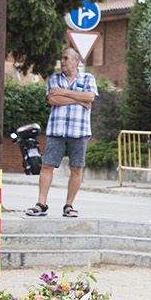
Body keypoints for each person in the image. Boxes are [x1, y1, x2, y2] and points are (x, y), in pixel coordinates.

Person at [26, 49, 97, 218]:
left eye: (66, 58)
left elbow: (90, 97)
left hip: (79, 131)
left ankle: (69, 206)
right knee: (47, 166)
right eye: (62, 58)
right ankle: (41, 204)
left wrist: (64, 92)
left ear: (76, 61)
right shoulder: (54, 79)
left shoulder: (88, 78)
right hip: (56, 131)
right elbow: (53, 100)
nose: (62, 61)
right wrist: (79, 99)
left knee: (77, 169)